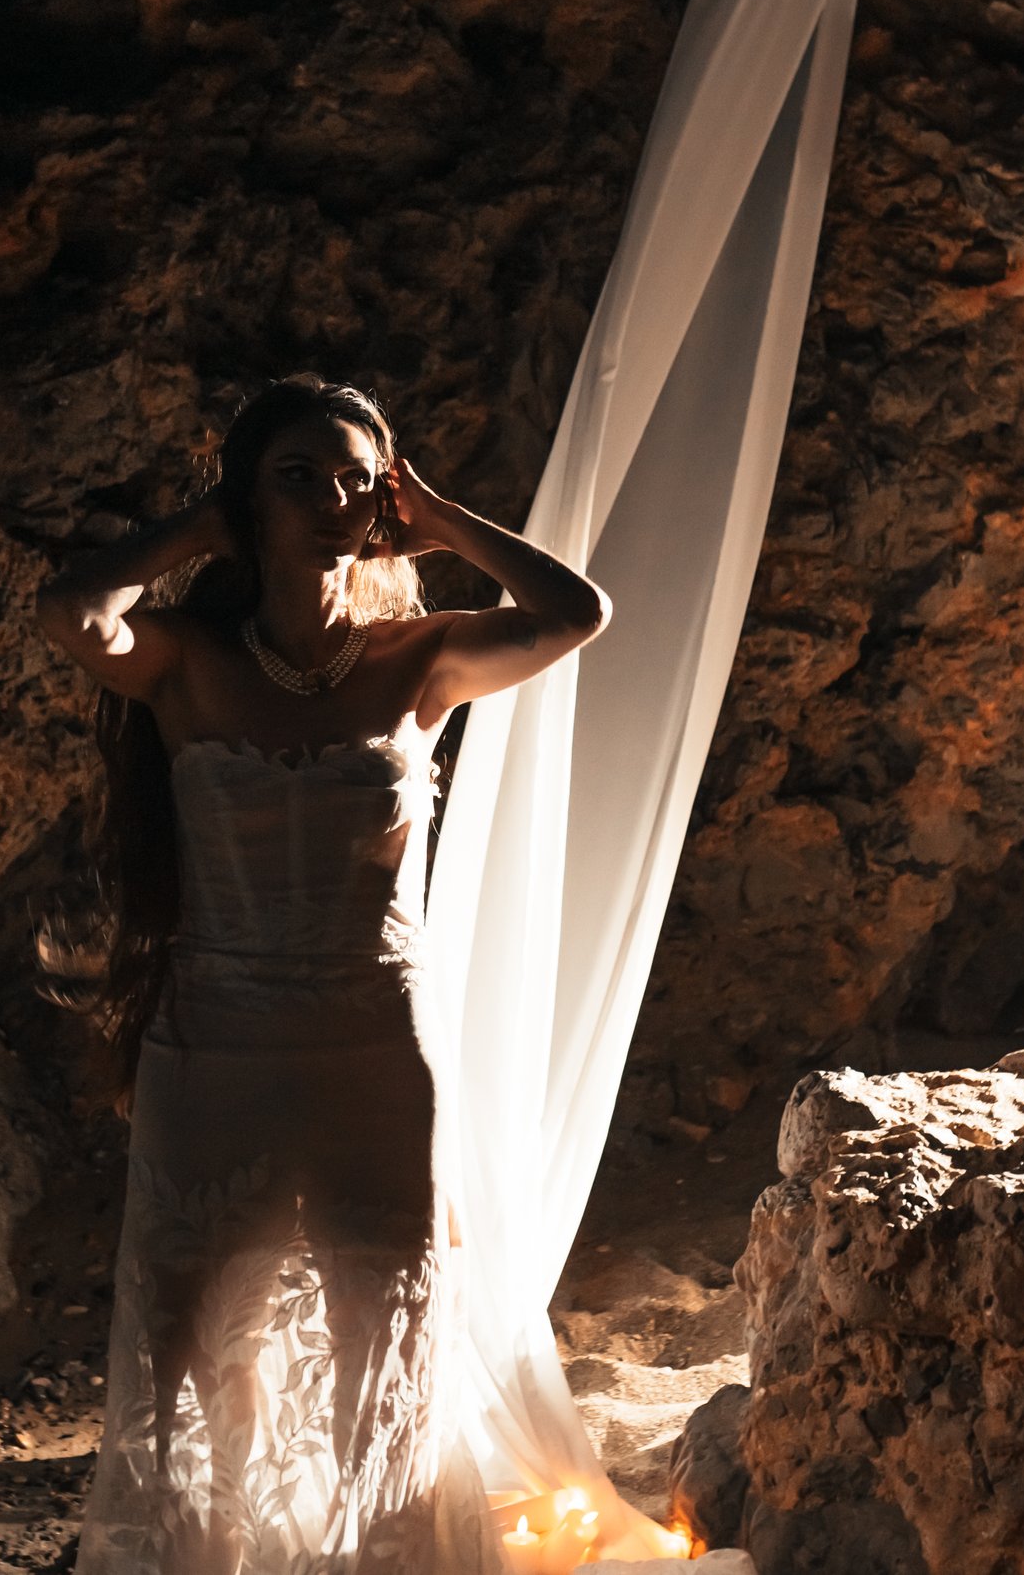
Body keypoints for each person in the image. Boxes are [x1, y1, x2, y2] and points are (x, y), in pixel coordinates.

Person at [33, 373, 613, 1574]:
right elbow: (72, 610)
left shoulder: (422, 660)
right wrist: (205, 523)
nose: (333, 497)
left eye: (356, 476)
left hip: (373, 1043)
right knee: (190, 1343)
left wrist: (439, 518)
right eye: (297, 475)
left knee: (382, 1334)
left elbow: (575, 614)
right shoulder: (184, 658)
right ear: (250, 494)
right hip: (214, 1039)